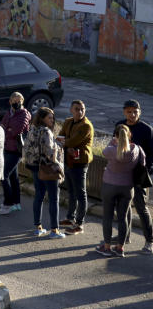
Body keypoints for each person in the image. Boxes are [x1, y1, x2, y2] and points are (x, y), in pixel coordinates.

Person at [97, 124, 146, 257]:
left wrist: (114, 141)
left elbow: (104, 152)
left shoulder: (112, 149)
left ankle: (106, 247)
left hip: (110, 185)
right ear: (129, 135)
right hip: (127, 187)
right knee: (123, 217)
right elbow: (143, 162)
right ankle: (120, 248)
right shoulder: (136, 149)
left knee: (107, 216)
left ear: (116, 136)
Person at [116, 99, 153, 253]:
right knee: (123, 206)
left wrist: (145, 172)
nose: (132, 114)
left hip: (139, 174)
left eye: (135, 112)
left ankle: (149, 241)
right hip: (123, 173)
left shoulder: (146, 129)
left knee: (140, 207)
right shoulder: (119, 126)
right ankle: (124, 236)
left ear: (140, 112)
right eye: (129, 111)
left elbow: (151, 155)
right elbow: (115, 147)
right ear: (124, 112)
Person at [25, 107, 65, 239]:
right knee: (54, 198)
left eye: (52, 118)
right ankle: (55, 230)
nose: (52, 120)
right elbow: (49, 153)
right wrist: (59, 147)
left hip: (35, 167)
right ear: (42, 118)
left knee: (39, 196)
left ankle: (38, 227)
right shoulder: (46, 131)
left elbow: (27, 148)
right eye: (49, 118)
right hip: (47, 168)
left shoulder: (32, 129)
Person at [57, 100, 94, 235]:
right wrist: (65, 143)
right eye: (77, 109)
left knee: (81, 193)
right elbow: (60, 137)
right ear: (71, 110)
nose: (80, 111)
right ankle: (70, 218)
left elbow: (71, 141)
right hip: (68, 160)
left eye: (82, 109)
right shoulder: (68, 121)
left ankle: (79, 223)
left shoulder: (86, 126)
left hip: (80, 163)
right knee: (71, 191)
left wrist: (65, 142)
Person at [0, 92, 30, 217]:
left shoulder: (24, 114)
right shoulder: (8, 112)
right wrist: (7, 129)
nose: (17, 103)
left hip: (16, 150)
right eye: (14, 101)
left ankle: (8, 203)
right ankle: (16, 203)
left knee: (3, 174)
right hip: (7, 148)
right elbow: (2, 127)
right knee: (13, 177)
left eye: (19, 101)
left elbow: (17, 130)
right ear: (10, 101)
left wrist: (7, 129)